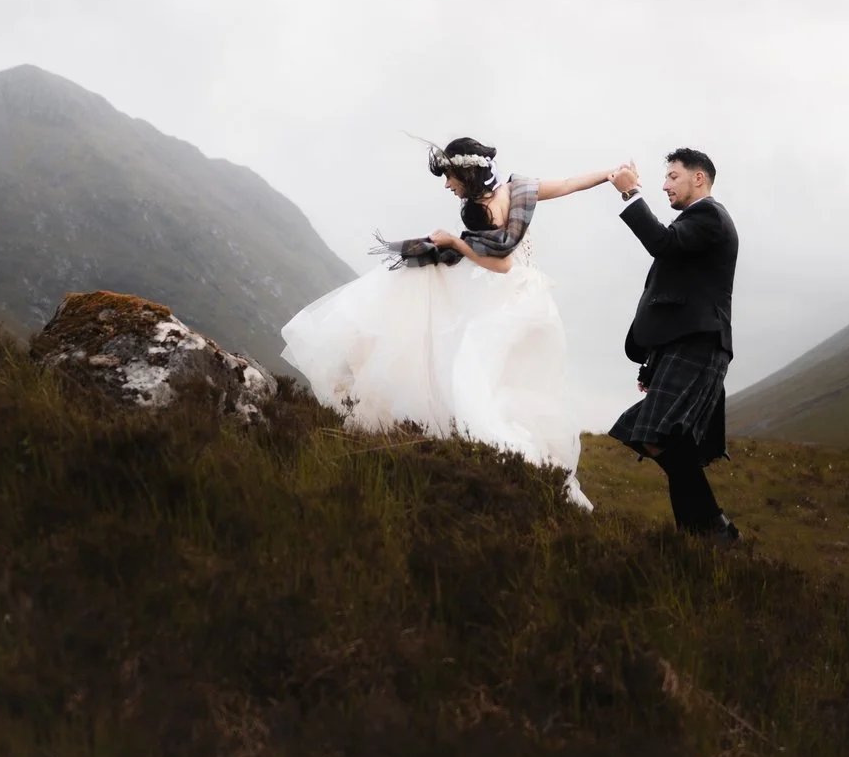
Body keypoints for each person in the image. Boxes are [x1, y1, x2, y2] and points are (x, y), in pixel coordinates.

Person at [280, 137, 631, 506]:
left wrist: (454, 242)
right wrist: (607, 176)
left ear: (466, 172)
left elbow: (501, 262)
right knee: (511, 385)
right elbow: (568, 184)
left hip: (506, 303)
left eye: (450, 177)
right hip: (533, 302)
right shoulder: (519, 190)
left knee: (478, 376)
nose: (447, 185)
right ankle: (522, 467)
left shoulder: (477, 213)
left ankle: (502, 455)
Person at [607, 148, 741, 543]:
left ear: (698, 178)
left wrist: (630, 195)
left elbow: (661, 244)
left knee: (661, 436)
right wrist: (653, 363)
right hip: (686, 345)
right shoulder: (695, 226)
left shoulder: (710, 217)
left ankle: (712, 531)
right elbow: (673, 296)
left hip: (702, 344)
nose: (664, 184)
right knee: (657, 437)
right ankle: (700, 534)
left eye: (672, 176)